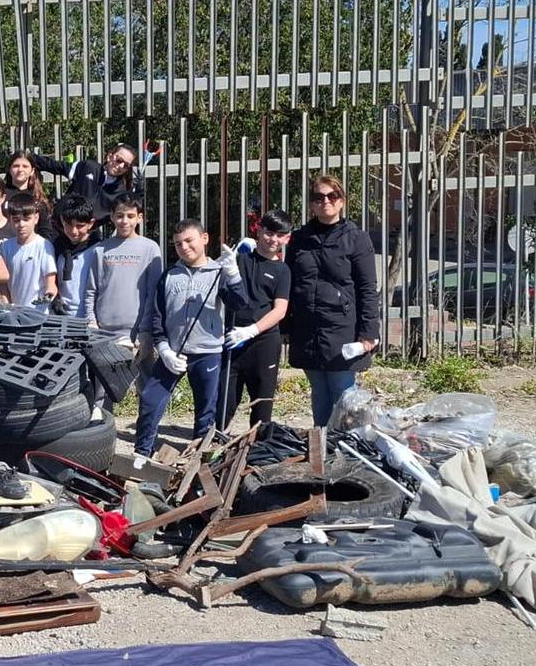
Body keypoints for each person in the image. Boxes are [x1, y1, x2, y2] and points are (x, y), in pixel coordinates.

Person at [133, 220, 248, 456]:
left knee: (206, 410)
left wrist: (233, 275)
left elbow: (239, 304)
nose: (184, 247)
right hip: (173, 353)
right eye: (177, 244)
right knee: (150, 400)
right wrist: (163, 349)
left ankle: (199, 456)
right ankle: (141, 452)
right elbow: (157, 316)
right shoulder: (169, 276)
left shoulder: (219, 273)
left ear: (204, 239)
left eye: (189, 241)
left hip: (208, 353)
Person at [285, 175, 380, 427]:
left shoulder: (356, 238)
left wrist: (369, 332)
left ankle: (347, 449)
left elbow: (367, 288)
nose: (325, 201)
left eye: (332, 196)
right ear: (311, 204)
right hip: (307, 329)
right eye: (318, 197)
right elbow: (289, 284)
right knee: (318, 390)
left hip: (342, 329)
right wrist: (286, 326)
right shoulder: (299, 239)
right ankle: (322, 444)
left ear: (342, 201)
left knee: (343, 394)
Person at [218, 209, 293, 431]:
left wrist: (252, 330)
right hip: (233, 339)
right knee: (225, 400)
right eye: (269, 233)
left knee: (262, 404)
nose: (274, 239)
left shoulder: (282, 271)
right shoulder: (240, 259)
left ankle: (260, 447)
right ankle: (218, 440)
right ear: (259, 231)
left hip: (263, 342)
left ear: (287, 238)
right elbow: (221, 288)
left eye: (280, 235)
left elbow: (280, 310)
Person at [81, 193, 163, 340]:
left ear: (140, 218)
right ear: (112, 216)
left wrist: (145, 330)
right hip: (103, 332)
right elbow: (91, 290)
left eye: (130, 216)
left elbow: (153, 293)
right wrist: (91, 322)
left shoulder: (150, 248)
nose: (124, 221)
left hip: (138, 333)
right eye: (119, 215)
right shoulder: (100, 249)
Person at [31, 143, 139, 224]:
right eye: (119, 160)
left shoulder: (121, 191)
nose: (120, 166)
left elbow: (127, 217)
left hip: (87, 236)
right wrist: (29, 158)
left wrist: (140, 194)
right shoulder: (88, 167)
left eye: (126, 165)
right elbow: (56, 166)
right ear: (110, 156)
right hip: (61, 224)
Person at [0, 192, 58, 310]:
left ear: (36, 218)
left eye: (26, 219)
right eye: (16, 220)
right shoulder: (5, 247)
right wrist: (7, 305)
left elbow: (51, 284)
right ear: (10, 220)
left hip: (39, 314)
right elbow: (2, 284)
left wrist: (47, 297)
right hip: (14, 313)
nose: (21, 224)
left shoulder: (44, 246)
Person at [51, 193, 101, 316]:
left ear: (90, 223)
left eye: (80, 226)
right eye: (68, 225)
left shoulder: (98, 249)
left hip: (90, 316)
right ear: (62, 220)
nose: (73, 231)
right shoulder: (56, 247)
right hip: (62, 315)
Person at [4, 149, 53, 238]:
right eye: (16, 166)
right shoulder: (1, 195)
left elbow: (46, 230)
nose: (20, 169)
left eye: (25, 166)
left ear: (32, 171)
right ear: (9, 169)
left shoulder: (38, 197)